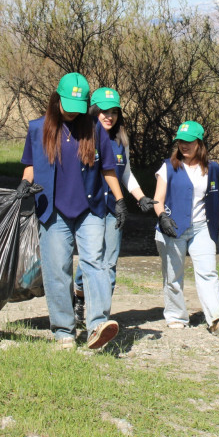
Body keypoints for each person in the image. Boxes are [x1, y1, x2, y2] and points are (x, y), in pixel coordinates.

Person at [20, 73, 128, 351]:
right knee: (58, 270)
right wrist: (24, 185)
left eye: (79, 106)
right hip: (53, 210)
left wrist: (119, 200)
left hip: (90, 210)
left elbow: (107, 168)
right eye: (69, 105)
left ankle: (97, 325)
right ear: (57, 99)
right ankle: (64, 331)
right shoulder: (37, 128)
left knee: (96, 264)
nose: (73, 112)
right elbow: (30, 165)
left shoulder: (94, 129)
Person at [71, 87, 157, 324]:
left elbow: (126, 173)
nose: (109, 116)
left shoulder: (121, 139)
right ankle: (79, 295)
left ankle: (101, 318)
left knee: (109, 262)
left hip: (114, 208)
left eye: (114, 112)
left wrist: (140, 197)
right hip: (89, 209)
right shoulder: (82, 137)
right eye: (104, 111)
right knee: (92, 259)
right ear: (94, 111)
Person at [152, 120, 219, 334]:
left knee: (208, 272)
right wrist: (162, 218)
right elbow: (157, 199)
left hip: (202, 228)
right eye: (180, 141)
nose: (184, 145)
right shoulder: (168, 166)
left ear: (200, 143)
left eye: (189, 141)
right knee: (173, 274)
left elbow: (216, 199)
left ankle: (216, 318)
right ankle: (176, 315)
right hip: (173, 228)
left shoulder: (212, 168)